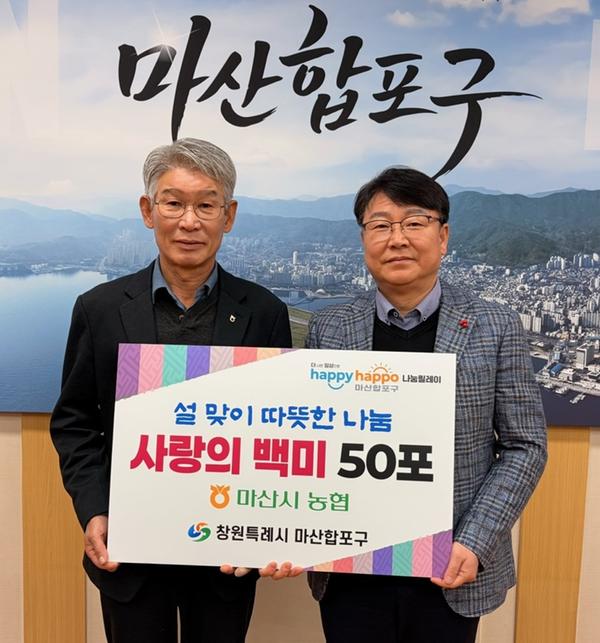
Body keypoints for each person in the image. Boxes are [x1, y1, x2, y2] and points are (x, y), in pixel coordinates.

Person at [50, 138, 300, 643]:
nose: (190, 221)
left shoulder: (264, 312)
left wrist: (274, 522)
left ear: (229, 216)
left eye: (206, 205)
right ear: (148, 211)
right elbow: (75, 422)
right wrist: (94, 509)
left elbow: (282, 431)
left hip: (227, 555)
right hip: (131, 550)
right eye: (174, 203)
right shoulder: (99, 308)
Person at [305, 167, 547, 643]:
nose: (397, 238)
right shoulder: (329, 327)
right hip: (352, 568)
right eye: (380, 225)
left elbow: (525, 447)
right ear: (364, 239)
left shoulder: (495, 325)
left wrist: (475, 540)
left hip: (449, 566)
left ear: (443, 236)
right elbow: (309, 441)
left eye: (415, 222)